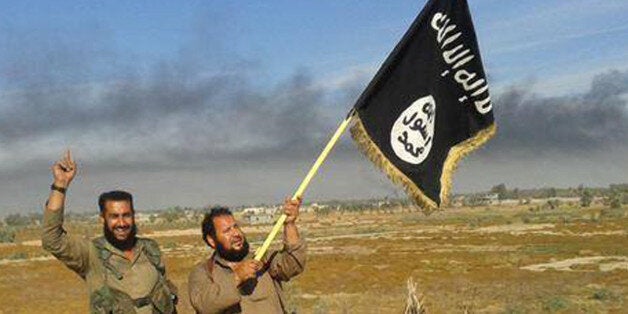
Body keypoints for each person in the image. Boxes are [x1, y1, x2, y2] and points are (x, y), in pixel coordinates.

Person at [42, 150, 177, 313]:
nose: (121, 223)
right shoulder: (91, 253)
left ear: (133, 216)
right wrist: (60, 185)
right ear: (102, 218)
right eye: (114, 216)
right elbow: (51, 239)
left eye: (126, 215)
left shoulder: (150, 249)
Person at [188, 198, 306, 314]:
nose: (236, 233)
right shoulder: (203, 272)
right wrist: (237, 277)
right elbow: (204, 306)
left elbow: (293, 264)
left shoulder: (263, 260)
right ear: (212, 241)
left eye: (236, 226)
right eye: (227, 231)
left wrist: (289, 223)